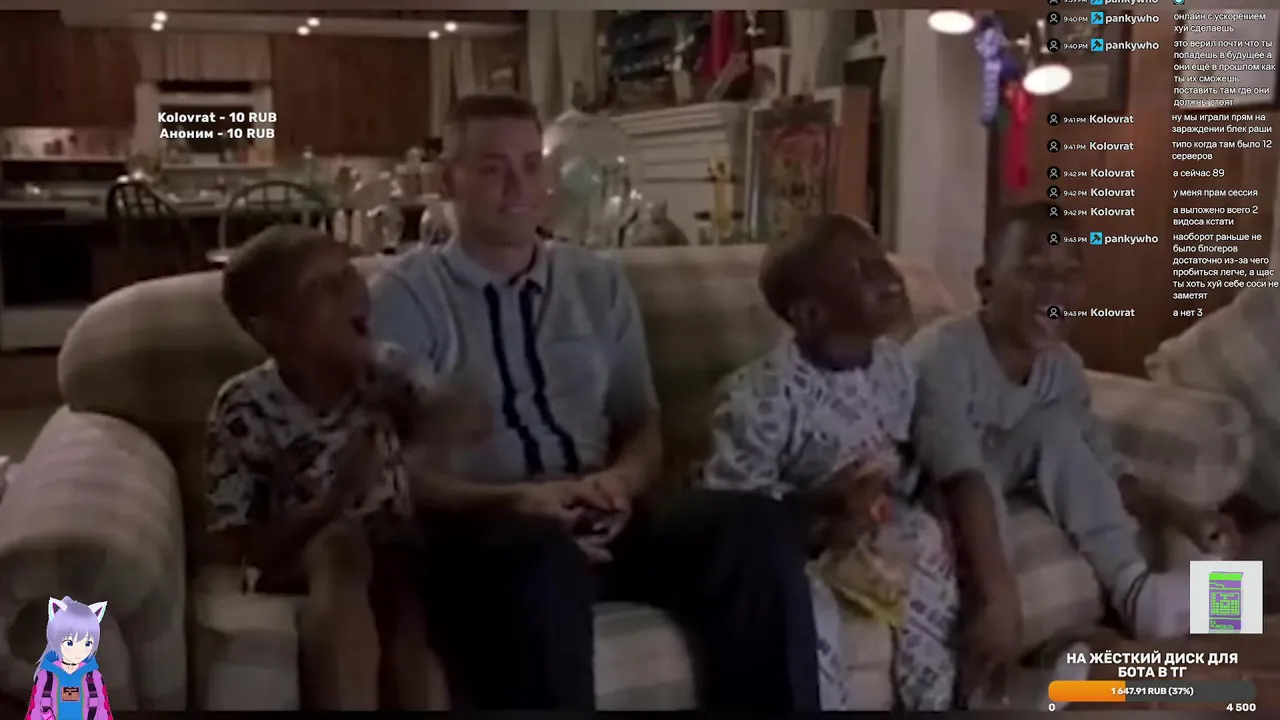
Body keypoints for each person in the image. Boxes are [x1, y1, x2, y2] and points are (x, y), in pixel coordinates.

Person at [369, 92, 820, 711]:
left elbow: (641, 420)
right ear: (450, 180)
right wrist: (517, 501)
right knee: (538, 554)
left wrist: (621, 482)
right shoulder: (405, 296)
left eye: (531, 165)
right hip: (489, 528)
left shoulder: (598, 281)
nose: (518, 187)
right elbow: (392, 468)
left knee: (753, 527)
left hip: (605, 512)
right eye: (493, 168)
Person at [696, 215, 1086, 711]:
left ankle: (947, 698)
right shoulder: (760, 395)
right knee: (807, 614)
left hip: (878, 528)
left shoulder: (896, 369)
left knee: (929, 542)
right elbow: (730, 515)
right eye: (862, 269)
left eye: (883, 258)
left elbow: (910, 456)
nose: (890, 276)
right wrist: (817, 513)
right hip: (802, 547)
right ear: (811, 314)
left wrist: (925, 499)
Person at [905, 203, 1240, 695]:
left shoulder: (1061, 367)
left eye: (1069, 274)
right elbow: (961, 476)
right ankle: (997, 681)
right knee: (978, 482)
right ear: (985, 284)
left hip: (992, 471)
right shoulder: (944, 353)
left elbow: (1106, 466)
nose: (1054, 289)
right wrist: (1000, 594)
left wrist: (1183, 513)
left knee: (1239, 606)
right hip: (922, 487)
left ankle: (1142, 595)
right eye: (1033, 270)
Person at [203, 226, 450, 710]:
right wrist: (332, 502)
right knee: (342, 546)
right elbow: (239, 543)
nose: (351, 289)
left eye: (348, 271)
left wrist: (441, 415)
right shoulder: (243, 406)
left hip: (392, 551)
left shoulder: (385, 373)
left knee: (404, 600)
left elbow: (452, 422)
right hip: (297, 557)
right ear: (268, 329)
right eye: (320, 286)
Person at [27, 597, 113, 720]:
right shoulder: (45, 676)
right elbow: (35, 712)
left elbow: (103, 712)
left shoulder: (94, 677)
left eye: (87, 644)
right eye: (69, 643)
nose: (79, 651)